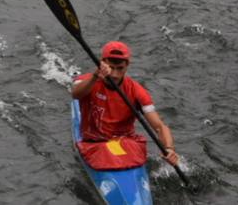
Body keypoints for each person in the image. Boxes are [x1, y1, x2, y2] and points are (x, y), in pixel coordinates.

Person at [71, 40, 181, 169]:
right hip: (95, 141)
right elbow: (76, 95)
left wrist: (169, 149)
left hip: (123, 141)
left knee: (133, 152)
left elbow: (159, 127)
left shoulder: (137, 91)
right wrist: (95, 77)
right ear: (102, 62)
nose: (115, 74)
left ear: (127, 65)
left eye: (120, 68)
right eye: (111, 67)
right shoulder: (88, 80)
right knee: (104, 154)